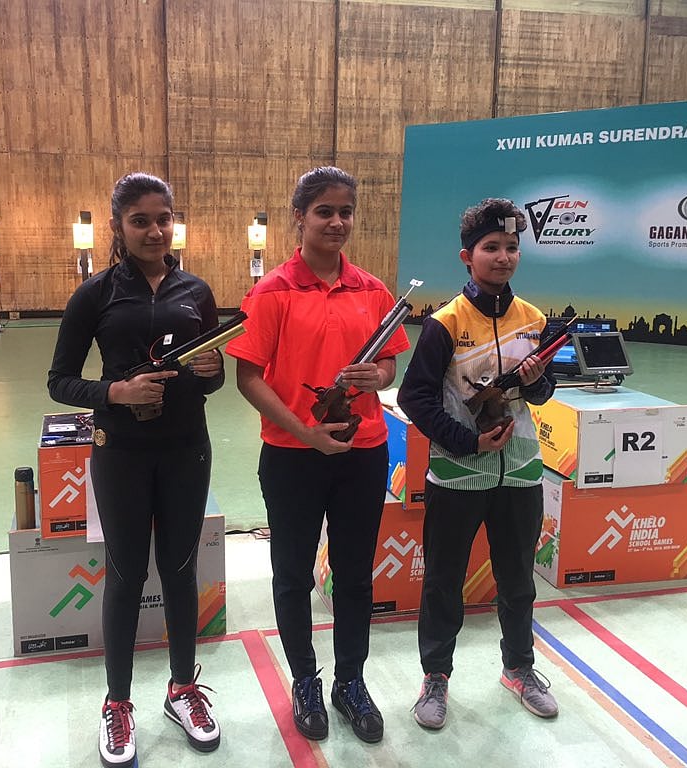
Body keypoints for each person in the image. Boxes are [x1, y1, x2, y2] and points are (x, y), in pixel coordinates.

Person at [225, 166, 410, 744]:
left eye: (345, 211)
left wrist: (374, 373)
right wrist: (305, 433)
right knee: (292, 576)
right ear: (298, 218)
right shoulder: (271, 291)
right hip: (292, 455)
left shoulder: (375, 290)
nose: (336, 222)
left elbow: (391, 366)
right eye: (324, 211)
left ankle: (350, 681)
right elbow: (249, 377)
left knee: (355, 576)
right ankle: (306, 680)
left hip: (363, 452)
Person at [48, 172, 224, 767]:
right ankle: (117, 702)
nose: (155, 230)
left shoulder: (196, 291)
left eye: (163, 218)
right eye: (141, 220)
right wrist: (116, 394)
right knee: (124, 573)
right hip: (120, 451)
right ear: (118, 227)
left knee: (179, 569)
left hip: (186, 450)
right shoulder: (94, 294)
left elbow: (215, 374)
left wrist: (213, 371)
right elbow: (59, 380)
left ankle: (182, 689)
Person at [396, 197, 560, 730]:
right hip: (457, 475)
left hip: (521, 472)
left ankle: (519, 668)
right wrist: (467, 443)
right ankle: (435, 678)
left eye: (512, 247)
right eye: (492, 248)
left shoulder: (534, 319)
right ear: (467, 256)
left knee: (518, 579)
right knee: (444, 580)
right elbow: (415, 399)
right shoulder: (445, 323)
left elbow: (542, 393)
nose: (504, 257)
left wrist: (537, 383)